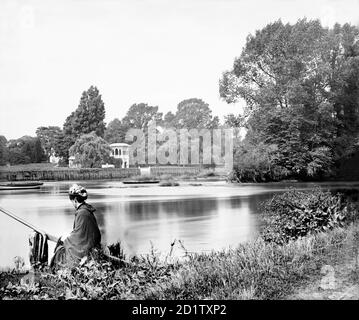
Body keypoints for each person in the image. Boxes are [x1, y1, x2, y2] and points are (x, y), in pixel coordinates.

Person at [46, 184, 102, 269]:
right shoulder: (86, 210)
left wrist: (67, 239)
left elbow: (80, 235)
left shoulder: (82, 213)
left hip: (87, 246)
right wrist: (70, 236)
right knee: (63, 243)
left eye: (72, 201)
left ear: (75, 200)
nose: (72, 203)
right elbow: (80, 232)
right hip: (91, 243)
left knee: (61, 250)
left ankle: (63, 270)